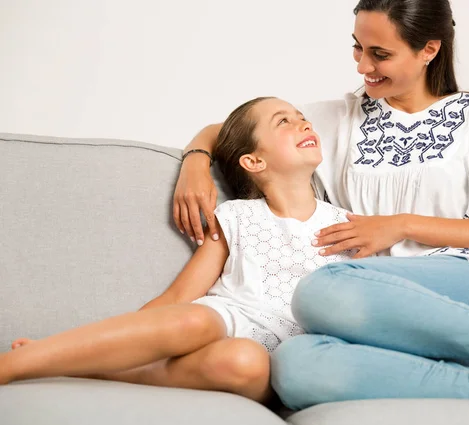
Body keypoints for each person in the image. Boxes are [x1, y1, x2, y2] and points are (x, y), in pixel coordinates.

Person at [172, 0, 469, 420]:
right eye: (357, 47)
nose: (362, 66)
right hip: (376, 315)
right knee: (294, 365)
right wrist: (195, 160)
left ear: (428, 50)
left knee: (322, 291)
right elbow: (232, 128)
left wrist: (402, 226)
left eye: (380, 54)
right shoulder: (336, 119)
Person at [0, 96, 355, 405]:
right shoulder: (236, 217)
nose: (303, 122)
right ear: (253, 162)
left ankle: (105, 373)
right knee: (193, 317)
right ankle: (20, 363)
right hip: (228, 319)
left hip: (280, 352)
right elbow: (179, 296)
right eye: (284, 121)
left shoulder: (352, 225)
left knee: (245, 362)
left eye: (301, 117)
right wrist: (127, 337)